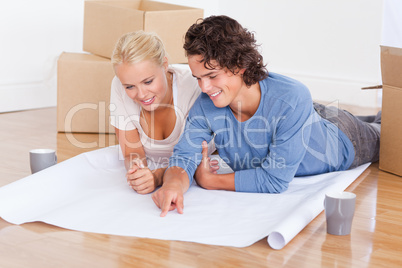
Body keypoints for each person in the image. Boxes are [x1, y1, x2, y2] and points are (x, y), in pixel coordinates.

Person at [151, 15, 381, 216]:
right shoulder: (206, 104)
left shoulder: (291, 96)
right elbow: (184, 157)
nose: (204, 87)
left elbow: (275, 179)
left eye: (212, 76)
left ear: (239, 65)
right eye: (198, 78)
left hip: (343, 137)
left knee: (389, 129)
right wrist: (172, 185)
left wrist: (212, 181)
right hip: (303, 115)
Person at [110, 31, 218, 195]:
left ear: (165, 64)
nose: (141, 94)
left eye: (148, 81)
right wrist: (137, 169)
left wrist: (159, 176)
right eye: (129, 86)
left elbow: (190, 159)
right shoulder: (118, 85)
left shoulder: (195, 85)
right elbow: (132, 152)